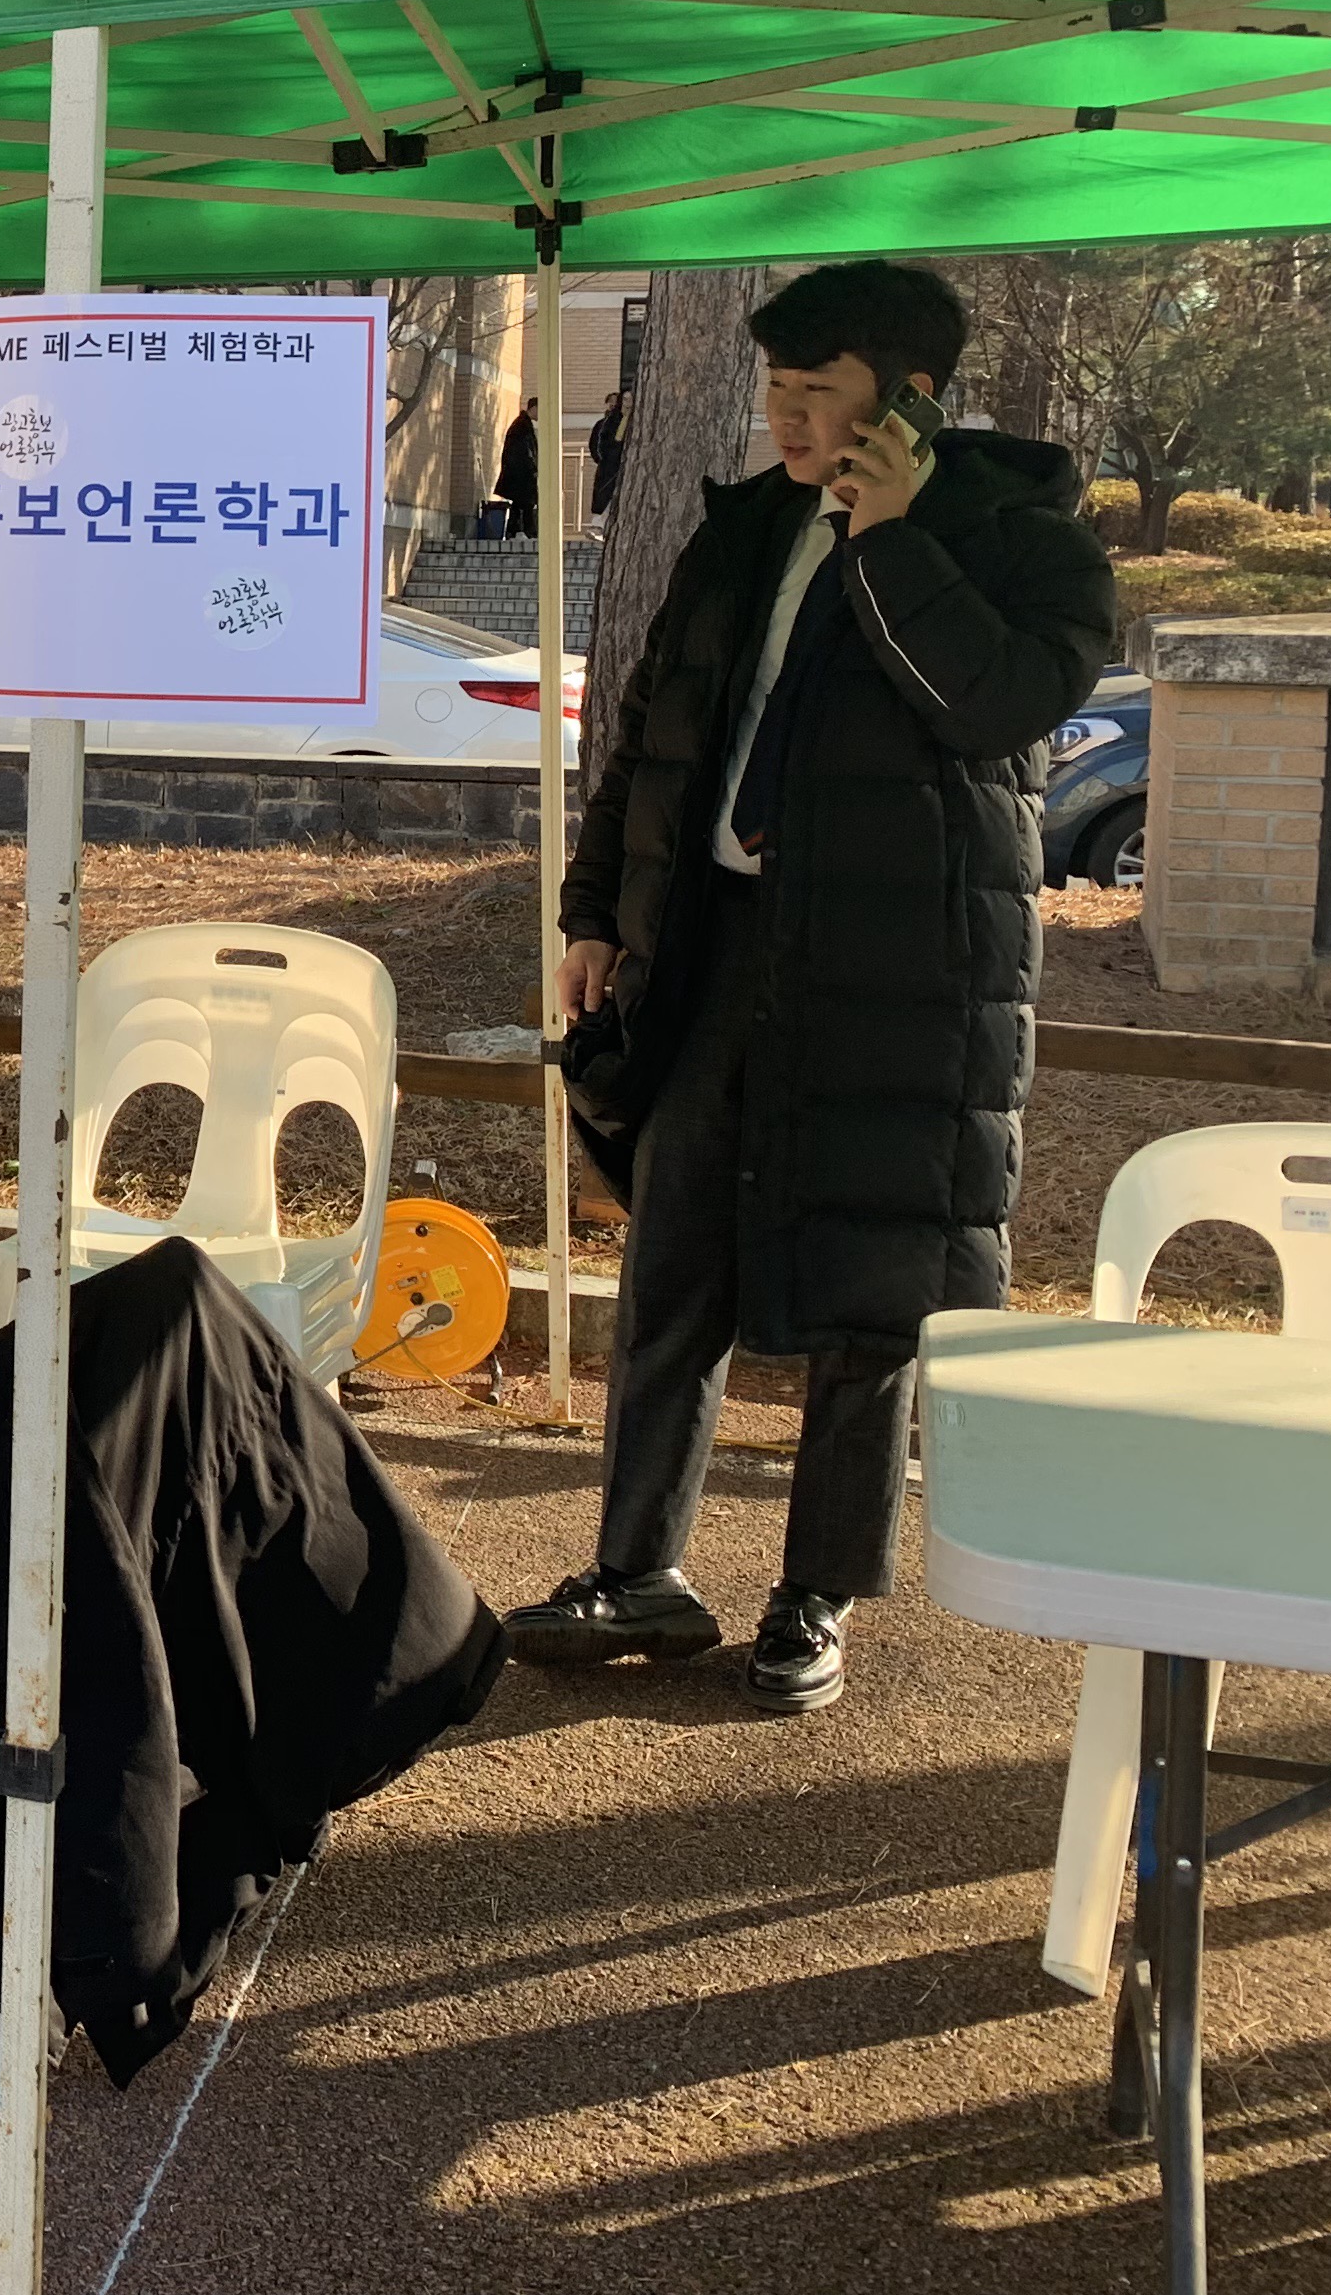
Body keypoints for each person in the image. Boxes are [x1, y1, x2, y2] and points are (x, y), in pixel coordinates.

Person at [518, 262, 1115, 1713]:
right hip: (714, 947)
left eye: (816, 395)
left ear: (906, 397)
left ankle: (816, 1593)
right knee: (673, 1266)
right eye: (773, 392)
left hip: (902, 974)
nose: (784, 420)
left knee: (871, 1296)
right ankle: (636, 1567)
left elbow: (995, 707)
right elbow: (653, 733)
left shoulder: (1028, 541)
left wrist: (897, 540)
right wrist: (596, 912)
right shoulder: (745, 533)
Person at [492, 404, 546, 539]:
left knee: (520, 504)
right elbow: (523, 451)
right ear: (534, 408)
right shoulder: (522, 427)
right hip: (521, 475)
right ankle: (524, 531)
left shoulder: (522, 425)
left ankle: (516, 531)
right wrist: (532, 467)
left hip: (519, 474)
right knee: (525, 503)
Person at [587, 390, 627, 519]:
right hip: (608, 466)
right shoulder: (602, 424)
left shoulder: (623, 422)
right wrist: (602, 459)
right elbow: (595, 444)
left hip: (615, 465)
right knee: (604, 494)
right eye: (610, 402)